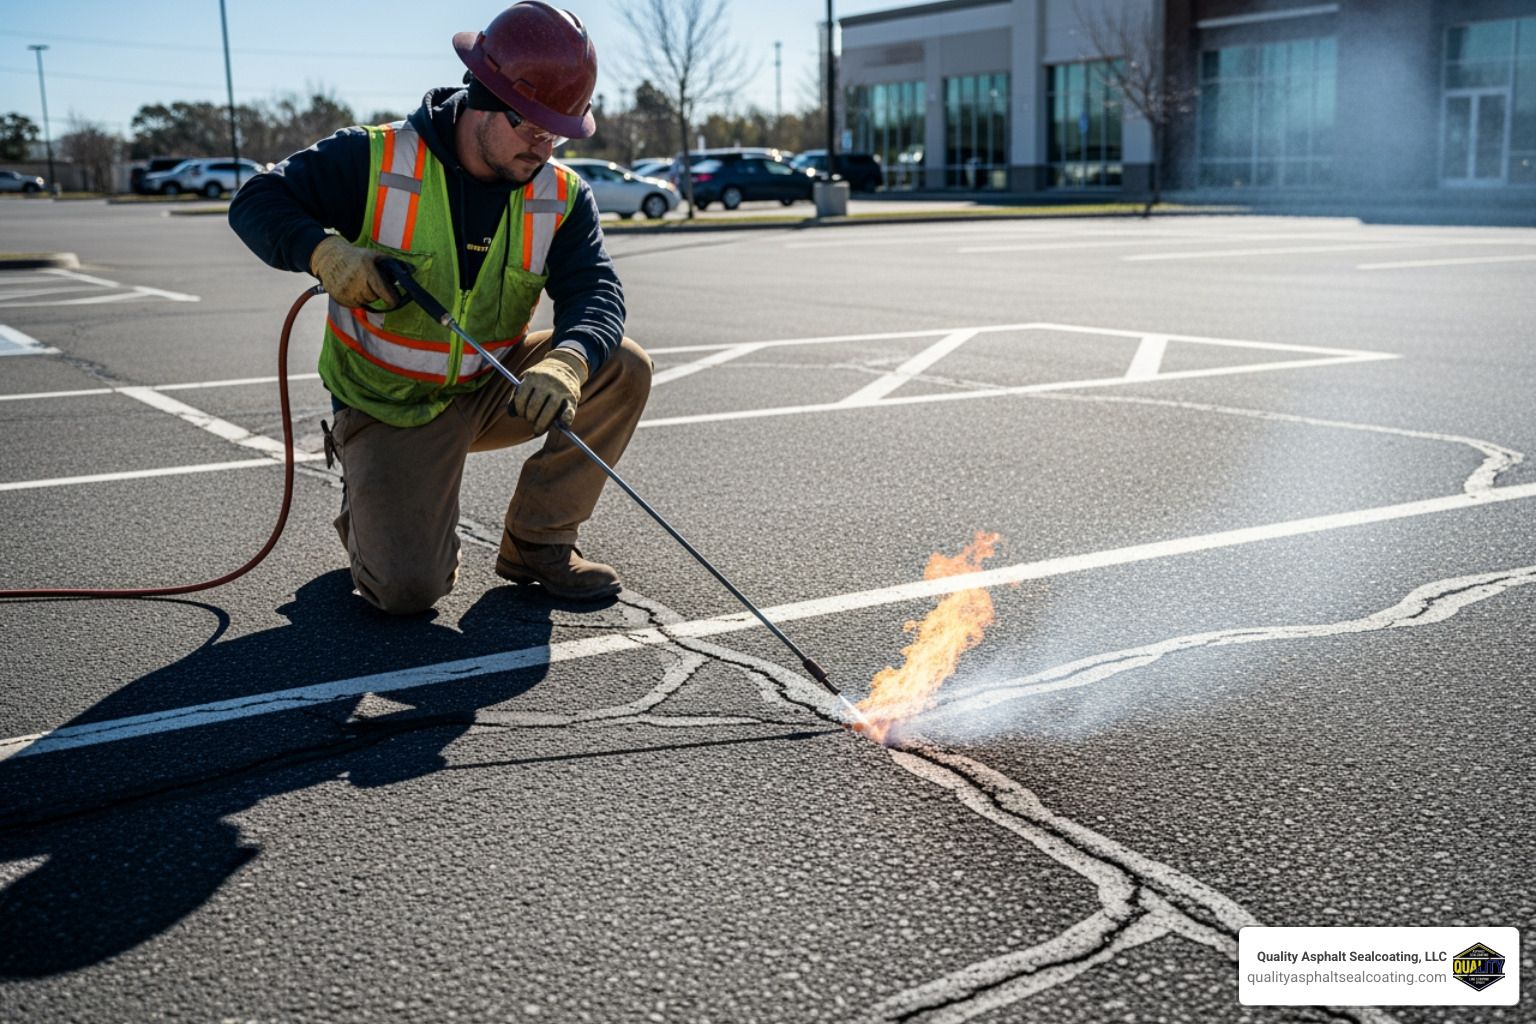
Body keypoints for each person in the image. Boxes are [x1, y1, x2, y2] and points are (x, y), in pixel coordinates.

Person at [229, 2, 650, 612]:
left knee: (622, 365)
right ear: (482, 97)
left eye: (556, 132)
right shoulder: (372, 159)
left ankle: (539, 541)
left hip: (493, 385)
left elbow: (597, 292)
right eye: (530, 126)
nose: (543, 146)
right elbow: (257, 201)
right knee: (407, 593)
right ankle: (368, 490)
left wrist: (568, 362)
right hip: (389, 406)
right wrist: (325, 254)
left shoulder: (561, 194)